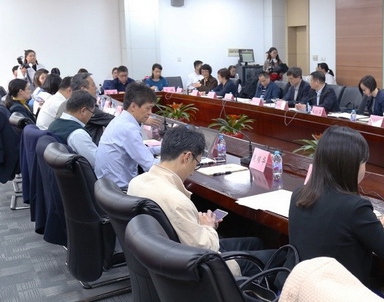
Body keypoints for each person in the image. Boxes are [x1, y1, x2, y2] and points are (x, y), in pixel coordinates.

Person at [128, 126, 272, 276]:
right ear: (186, 157)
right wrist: (209, 226)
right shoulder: (177, 201)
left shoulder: (136, 182)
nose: (193, 171)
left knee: (256, 242)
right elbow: (205, 249)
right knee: (279, 256)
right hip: (205, 269)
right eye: (196, 163)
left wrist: (197, 221)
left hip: (162, 258)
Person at [289, 125, 384, 285]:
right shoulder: (356, 208)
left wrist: (373, 226)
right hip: (338, 297)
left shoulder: (299, 193)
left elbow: (333, 227)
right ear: (352, 166)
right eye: (364, 162)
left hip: (301, 290)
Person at [95, 82, 160, 188]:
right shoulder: (128, 128)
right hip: (121, 190)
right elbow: (151, 166)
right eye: (148, 108)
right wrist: (176, 161)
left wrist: (165, 149)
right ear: (133, 106)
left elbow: (140, 150)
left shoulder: (121, 120)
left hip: (108, 188)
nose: (150, 112)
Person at [47, 91, 98, 167]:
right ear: (83, 111)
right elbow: (97, 162)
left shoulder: (54, 124)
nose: (91, 116)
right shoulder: (78, 134)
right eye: (92, 113)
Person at [71, 72, 115, 144]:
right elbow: (114, 121)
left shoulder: (72, 101)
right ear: (84, 89)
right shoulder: (86, 107)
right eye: (93, 85)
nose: (96, 88)